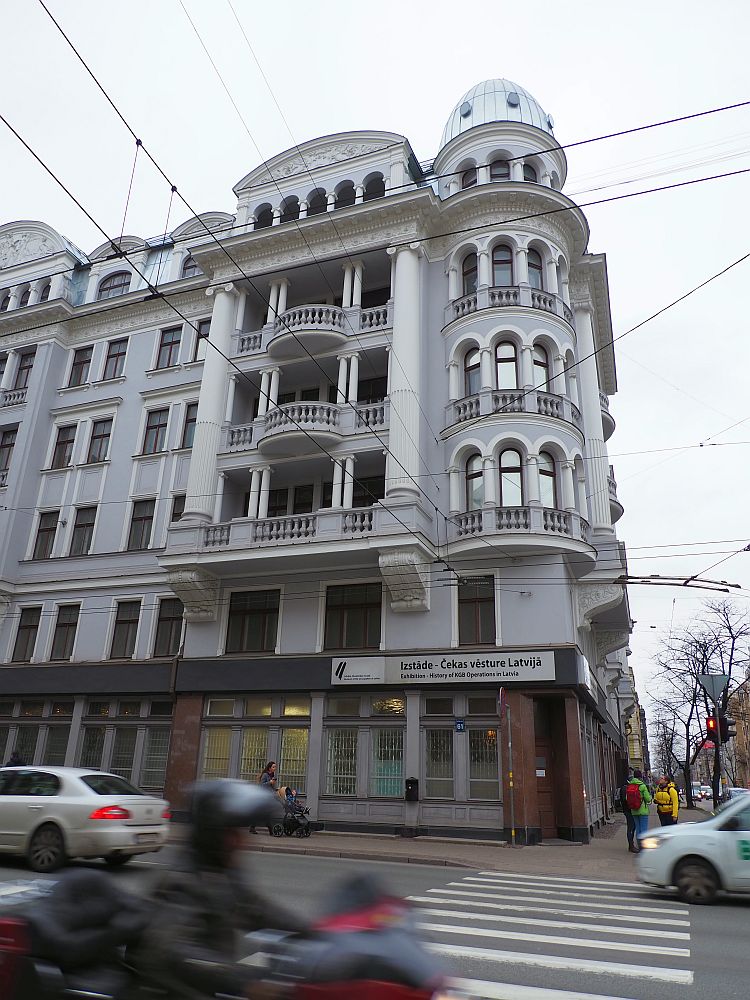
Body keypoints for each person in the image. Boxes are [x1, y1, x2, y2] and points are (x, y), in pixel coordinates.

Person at [131, 780, 306, 999]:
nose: (241, 842)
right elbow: (171, 951)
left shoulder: (222, 872)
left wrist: (313, 930)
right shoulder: (182, 882)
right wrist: (244, 983)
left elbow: (255, 909)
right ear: (211, 834)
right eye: (231, 833)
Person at [628, 768, 652, 848]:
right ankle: (643, 846)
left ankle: (639, 845)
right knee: (644, 829)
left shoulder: (630, 785)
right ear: (640, 777)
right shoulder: (642, 786)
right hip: (642, 811)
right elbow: (648, 799)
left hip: (634, 810)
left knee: (638, 829)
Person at [618, 768, 637, 853]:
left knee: (632, 827)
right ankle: (631, 845)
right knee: (631, 827)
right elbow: (625, 800)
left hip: (628, 810)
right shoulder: (626, 788)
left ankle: (631, 845)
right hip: (629, 810)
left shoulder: (624, 787)